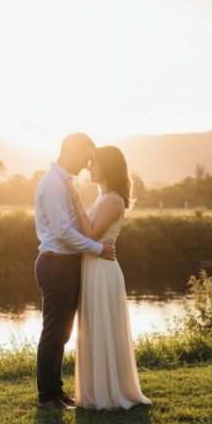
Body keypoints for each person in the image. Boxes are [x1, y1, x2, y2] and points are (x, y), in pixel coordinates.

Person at [33, 132, 115, 411]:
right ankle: (46, 397)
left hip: (65, 263)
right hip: (56, 263)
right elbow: (62, 232)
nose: (86, 164)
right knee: (54, 332)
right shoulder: (54, 185)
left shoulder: (64, 182)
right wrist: (97, 248)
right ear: (72, 150)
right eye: (85, 156)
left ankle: (57, 392)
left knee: (63, 333)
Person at [67, 145, 151, 409]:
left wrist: (76, 199)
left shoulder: (113, 199)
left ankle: (109, 392)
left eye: (94, 163)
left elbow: (90, 234)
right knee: (93, 328)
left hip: (102, 271)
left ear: (107, 167)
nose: (89, 167)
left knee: (102, 326)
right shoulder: (104, 197)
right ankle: (95, 390)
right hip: (93, 268)